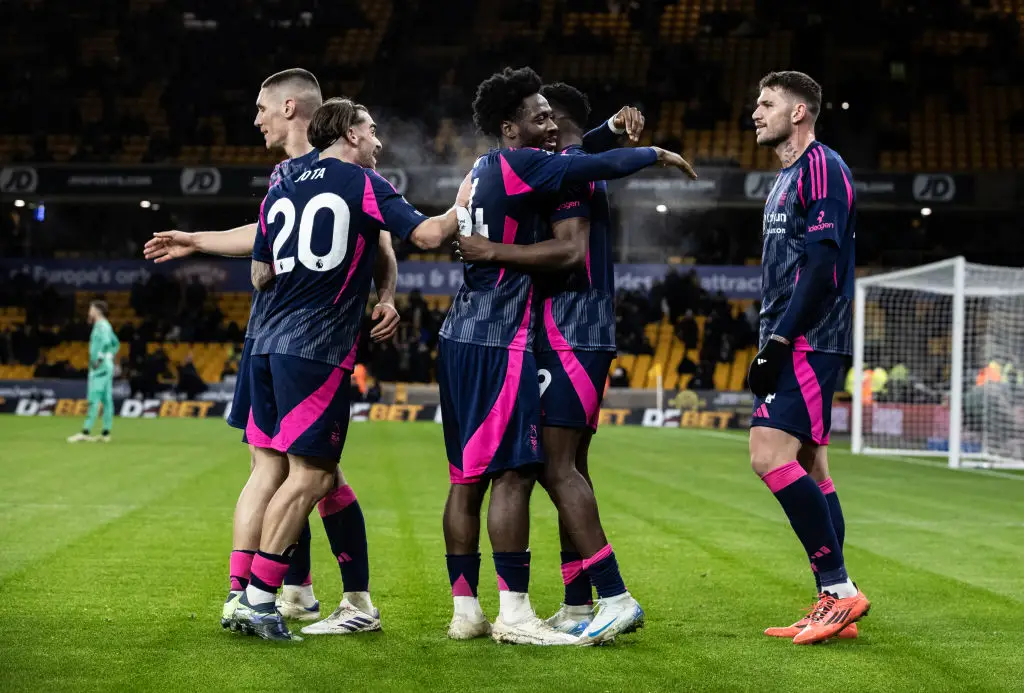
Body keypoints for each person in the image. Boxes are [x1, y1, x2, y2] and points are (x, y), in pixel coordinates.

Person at [440, 66, 695, 646]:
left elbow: (572, 248)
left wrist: (488, 248)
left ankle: (611, 595)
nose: (548, 127)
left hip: (568, 331)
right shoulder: (555, 165)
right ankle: (580, 602)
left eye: (552, 118)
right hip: (556, 332)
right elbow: (590, 151)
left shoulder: (558, 171)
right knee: (559, 469)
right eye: (540, 117)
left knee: (544, 470)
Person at [143, 68, 402, 635]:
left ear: (289, 108)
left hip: (301, 336)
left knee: (308, 473)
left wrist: (385, 294)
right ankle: (295, 591)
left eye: (261, 108)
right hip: (281, 337)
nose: (255, 119)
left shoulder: (341, 158)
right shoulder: (287, 172)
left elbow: (382, 238)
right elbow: (261, 240)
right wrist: (198, 240)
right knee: (304, 471)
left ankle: (302, 593)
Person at [229, 97, 466, 641]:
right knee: (309, 476)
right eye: (373, 130)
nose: (380, 141)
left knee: (305, 474)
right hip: (316, 350)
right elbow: (427, 236)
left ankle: (288, 594)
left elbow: (260, 270)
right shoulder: (359, 181)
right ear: (352, 136)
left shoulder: (283, 180)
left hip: (264, 344)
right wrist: (461, 203)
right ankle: (261, 598)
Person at [746, 71, 869, 645]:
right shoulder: (783, 179)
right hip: (795, 335)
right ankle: (832, 600)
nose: (757, 111)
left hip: (810, 337)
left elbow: (821, 267)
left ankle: (839, 591)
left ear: (799, 113)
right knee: (813, 465)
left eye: (768, 103)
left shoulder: (822, 165)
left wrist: (779, 340)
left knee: (768, 454)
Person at [67, 300, 120, 443]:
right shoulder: (105, 325)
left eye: (91, 309)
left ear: (97, 311)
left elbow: (106, 343)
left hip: (99, 368)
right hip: (105, 366)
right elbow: (115, 343)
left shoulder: (101, 325)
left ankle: (85, 431)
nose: (89, 312)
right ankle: (105, 433)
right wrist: (110, 355)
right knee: (107, 399)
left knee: (93, 399)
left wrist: (100, 359)